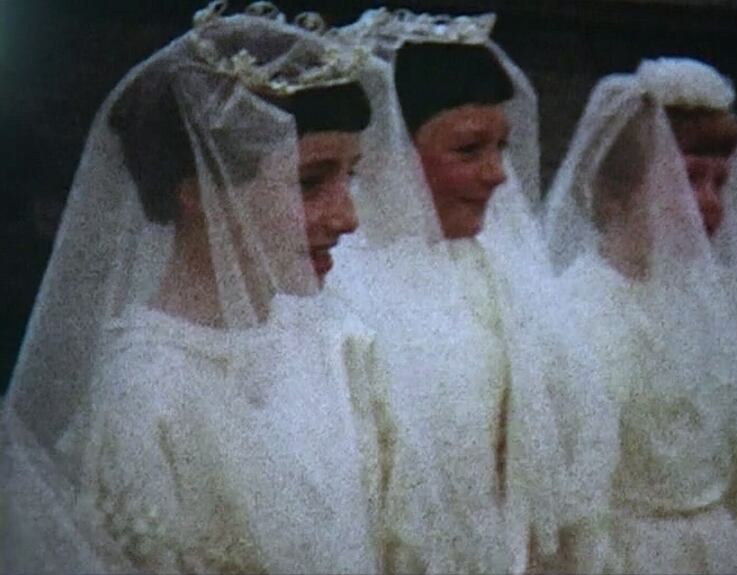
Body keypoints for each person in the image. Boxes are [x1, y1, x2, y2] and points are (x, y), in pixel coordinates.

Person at [1, 3, 393, 573]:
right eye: (311, 182)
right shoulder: (144, 398)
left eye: (349, 177)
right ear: (200, 189)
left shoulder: (334, 341)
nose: (348, 216)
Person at [326, 9, 611, 573]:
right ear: (388, 153)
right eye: (468, 149)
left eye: (500, 148)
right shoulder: (337, 287)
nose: (497, 174)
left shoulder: (496, 276)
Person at [543, 57, 737, 574]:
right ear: (617, 188)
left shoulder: (716, 298)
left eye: (719, 183)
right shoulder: (582, 307)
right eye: (687, 181)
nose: (709, 203)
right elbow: (581, 486)